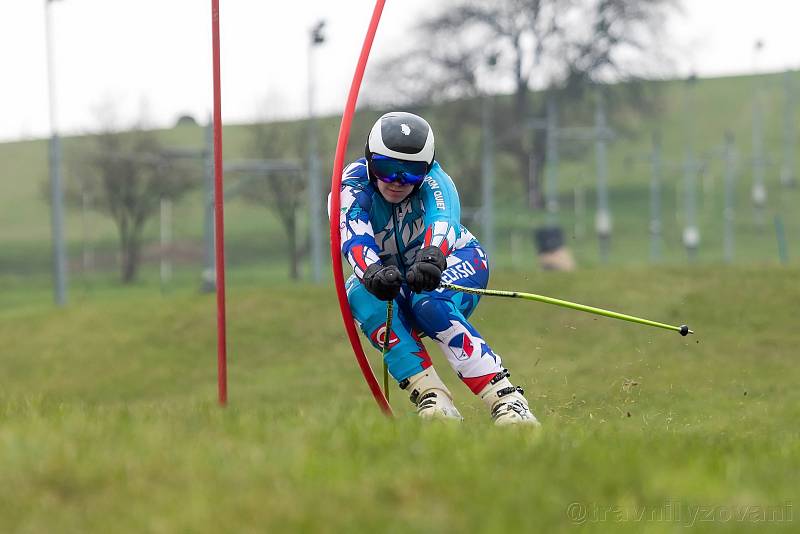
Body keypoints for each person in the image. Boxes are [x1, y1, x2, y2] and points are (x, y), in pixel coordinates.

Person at [336, 111, 539, 427]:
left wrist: (432, 258)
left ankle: (508, 400)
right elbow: (352, 231)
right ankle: (432, 397)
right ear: (369, 160)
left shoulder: (437, 183)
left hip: (458, 259)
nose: (397, 182)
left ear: (427, 168)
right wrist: (372, 271)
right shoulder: (352, 185)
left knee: (428, 302)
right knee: (359, 295)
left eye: (412, 172)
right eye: (387, 168)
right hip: (391, 274)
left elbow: (442, 221)